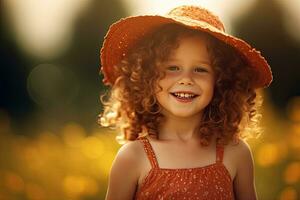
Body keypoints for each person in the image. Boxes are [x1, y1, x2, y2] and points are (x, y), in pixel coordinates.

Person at [98, 5, 272, 200]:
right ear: (148, 76)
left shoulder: (236, 153)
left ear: (222, 80)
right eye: (173, 67)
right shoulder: (132, 158)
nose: (186, 79)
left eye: (200, 69)